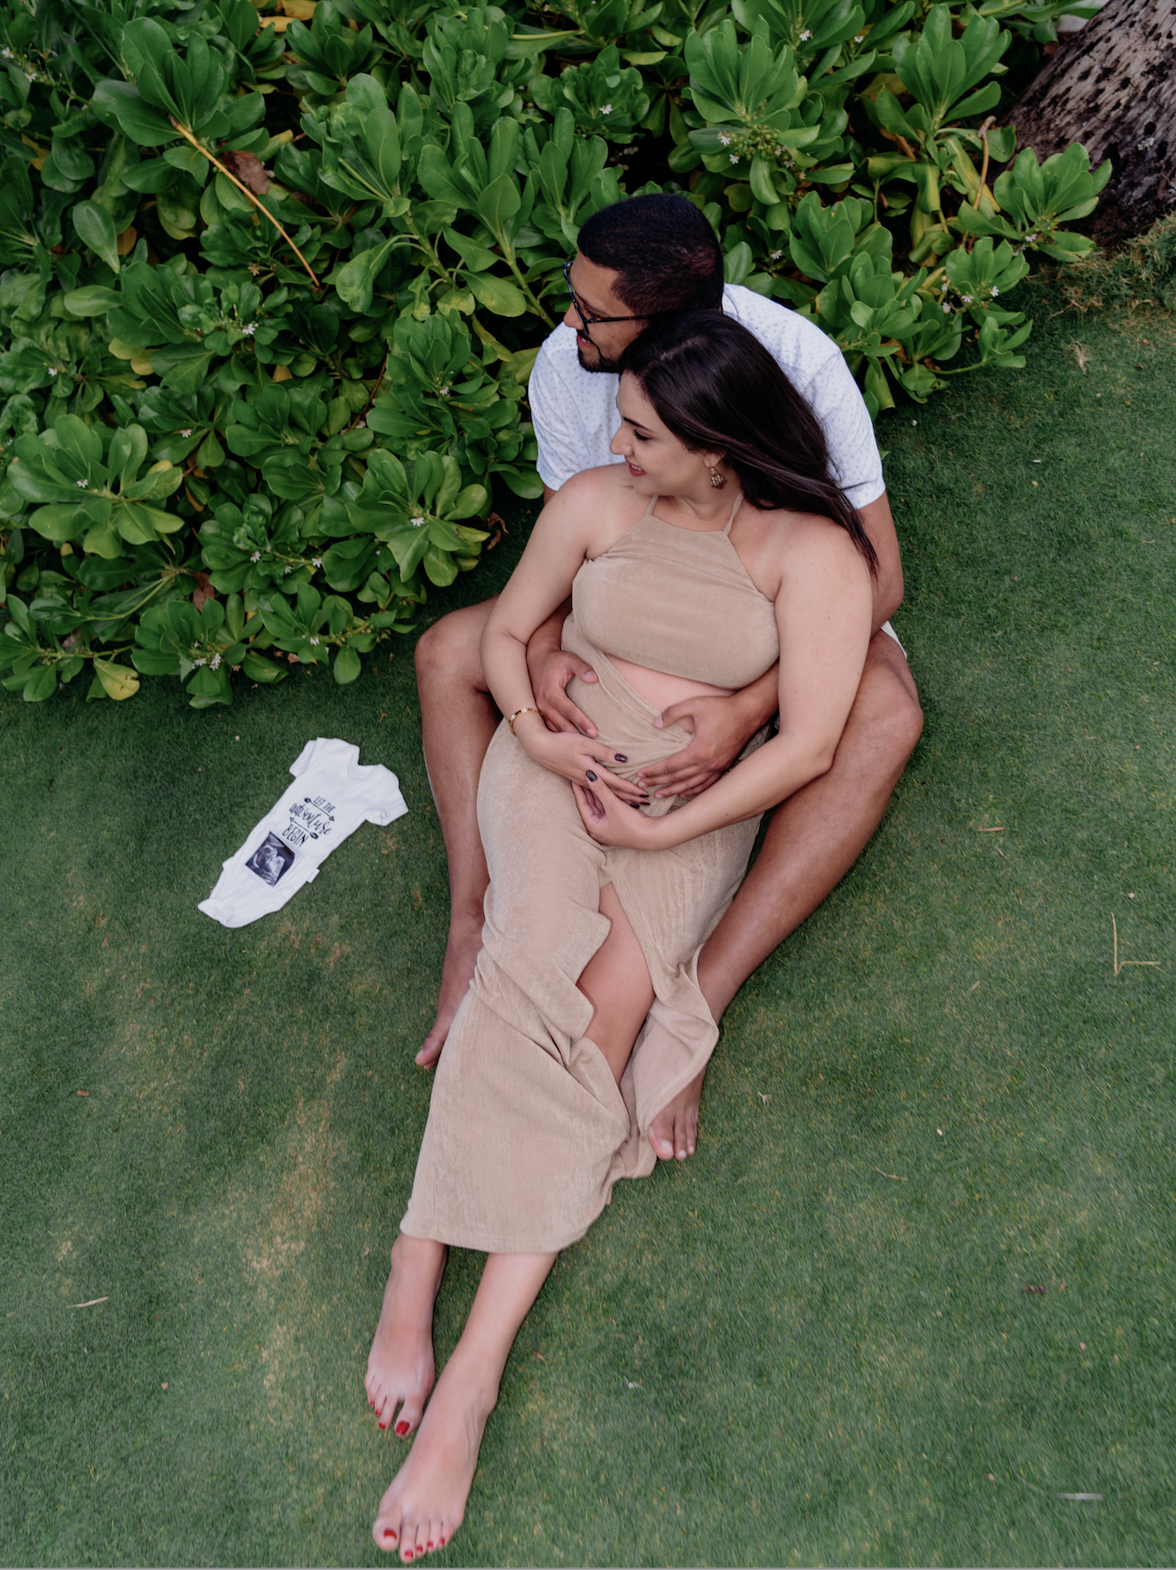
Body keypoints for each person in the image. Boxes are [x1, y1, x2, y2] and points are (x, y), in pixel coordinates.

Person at [365, 312, 875, 1559]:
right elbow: (503, 632)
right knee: (527, 962)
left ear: (715, 444)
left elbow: (807, 743)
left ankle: (471, 1373)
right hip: (557, 759)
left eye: (642, 430)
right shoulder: (598, 501)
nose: (616, 443)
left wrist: (666, 829)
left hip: (689, 809)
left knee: (605, 1010)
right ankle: (416, 1261)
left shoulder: (813, 552)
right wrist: (534, 734)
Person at [413, 194, 923, 1161]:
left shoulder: (797, 362)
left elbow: (879, 571)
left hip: (781, 616)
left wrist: (750, 706)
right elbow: (582, 529)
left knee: (888, 713)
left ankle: (700, 998)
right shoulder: (568, 370)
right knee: (448, 652)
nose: (568, 323)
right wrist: (552, 644)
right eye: (573, 298)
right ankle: (471, 922)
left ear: (676, 322)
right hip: (637, 602)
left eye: (591, 312)